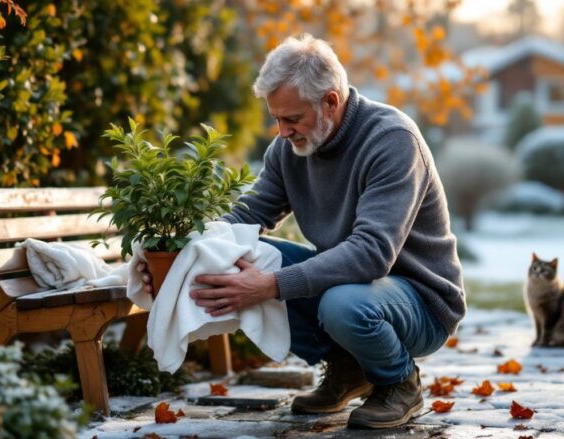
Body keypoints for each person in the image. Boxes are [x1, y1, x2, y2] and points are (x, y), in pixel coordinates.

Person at [137, 34, 465, 429]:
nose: (283, 131)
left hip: (421, 301)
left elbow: (372, 253)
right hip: (355, 287)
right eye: (276, 118)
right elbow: (249, 214)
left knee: (341, 304)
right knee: (241, 257)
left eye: (292, 119)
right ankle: (350, 368)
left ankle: (399, 382)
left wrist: (272, 285)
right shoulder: (288, 150)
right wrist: (181, 255)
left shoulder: (392, 140)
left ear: (330, 100)